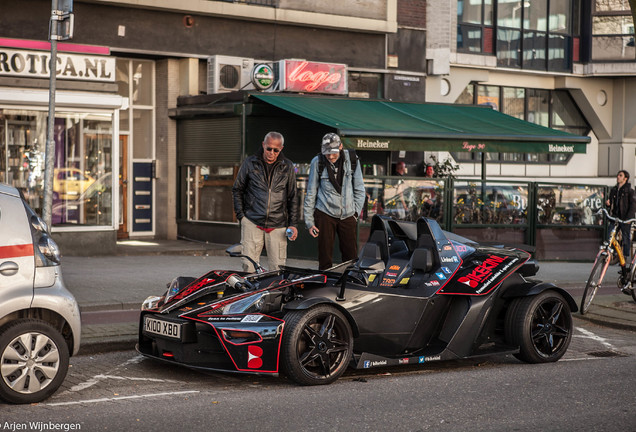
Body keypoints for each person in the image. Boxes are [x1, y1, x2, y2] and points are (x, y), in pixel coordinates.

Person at [232, 131, 298, 272]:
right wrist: (241, 217)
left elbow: (292, 196)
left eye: (276, 150)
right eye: (269, 148)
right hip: (252, 222)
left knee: (278, 269)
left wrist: (293, 224)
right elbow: (237, 189)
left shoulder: (287, 166)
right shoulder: (250, 163)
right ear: (263, 145)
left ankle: (276, 294)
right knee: (248, 267)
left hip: (278, 224)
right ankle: (249, 293)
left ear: (281, 149)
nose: (271, 153)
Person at [304, 133, 365, 270]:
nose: (331, 157)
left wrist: (355, 214)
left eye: (334, 153)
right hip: (325, 212)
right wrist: (309, 222)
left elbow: (360, 189)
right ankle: (324, 284)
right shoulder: (317, 161)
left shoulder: (353, 159)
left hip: (348, 213)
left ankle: (350, 283)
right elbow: (311, 192)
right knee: (324, 257)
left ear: (341, 147)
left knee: (351, 257)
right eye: (327, 154)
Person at [606, 170, 635, 280]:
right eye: (618, 175)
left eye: (620, 175)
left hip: (625, 219)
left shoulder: (630, 191)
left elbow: (633, 206)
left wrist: (628, 219)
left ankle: (625, 260)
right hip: (615, 218)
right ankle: (612, 256)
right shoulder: (614, 190)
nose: (618, 177)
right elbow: (611, 204)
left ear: (625, 178)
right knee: (609, 236)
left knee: (626, 239)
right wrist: (608, 204)